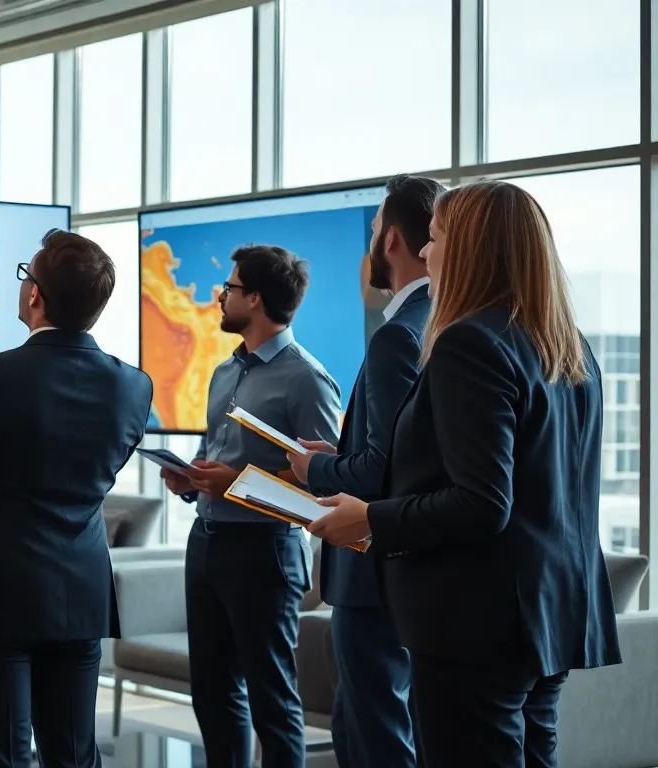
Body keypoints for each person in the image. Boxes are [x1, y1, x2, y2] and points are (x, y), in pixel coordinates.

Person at [307, 181, 621, 767]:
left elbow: (481, 502)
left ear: (472, 247)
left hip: (479, 624)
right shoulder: (568, 345)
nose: (426, 254)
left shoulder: (468, 342)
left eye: (438, 237)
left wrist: (369, 518)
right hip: (554, 615)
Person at [0, 230, 152, 768]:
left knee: (1, 756)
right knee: (73, 755)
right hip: (79, 590)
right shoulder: (134, 387)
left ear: (34, 296)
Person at [161, 245, 341, 768]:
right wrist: (191, 477)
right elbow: (216, 454)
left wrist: (234, 482)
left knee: (272, 700)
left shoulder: (306, 378)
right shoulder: (223, 372)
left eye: (231, 288)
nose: (222, 296)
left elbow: (326, 484)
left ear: (256, 299)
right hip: (208, 542)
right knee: (212, 694)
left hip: (264, 552)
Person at [286, 174, 441, 768]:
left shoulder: (399, 336)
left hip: (374, 571)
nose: (371, 242)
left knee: (375, 737)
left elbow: (383, 469)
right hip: (413, 569)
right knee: (366, 726)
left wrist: (318, 467)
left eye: (374, 230)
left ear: (394, 241)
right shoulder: (442, 325)